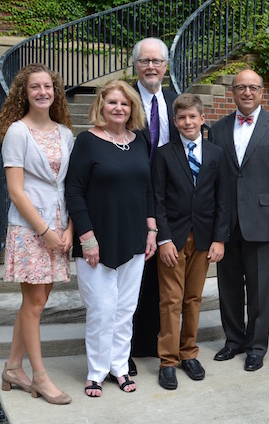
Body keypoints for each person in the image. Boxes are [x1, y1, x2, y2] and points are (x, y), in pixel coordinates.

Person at [65, 80, 158, 397]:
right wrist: (86, 236)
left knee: (125, 310)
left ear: (132, 108)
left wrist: (152, 230)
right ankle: (96, 371)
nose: (119, 108)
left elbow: (147, 189)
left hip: (133, 237)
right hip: (98, 240)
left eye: (125, 103)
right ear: (101, 106)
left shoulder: (140, 141)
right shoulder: (87, 142)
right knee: (102, 310)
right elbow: (74, 191)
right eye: (113, 103)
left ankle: (119, 367)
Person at [0, 63, 74, 405]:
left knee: (35, 303)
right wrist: (44, 231)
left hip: (59, 227)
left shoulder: (65, 133)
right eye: (34, 87)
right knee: (36, 302)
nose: (43, 92)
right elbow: (15, 191)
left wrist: (68, 228)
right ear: (23, 94)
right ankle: (40, 377)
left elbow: (70, 185)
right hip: (31, 229)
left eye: (48, 86)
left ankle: (13, 367)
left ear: (55, 91)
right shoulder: (17, 132)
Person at [209, 69, 269, 372]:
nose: (247, 93)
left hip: (264, 222)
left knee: (260, 291)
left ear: (262, 92)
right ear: (232, 92)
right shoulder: (217, 129)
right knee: (228, 287)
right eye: (241, 87)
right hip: (227, 224)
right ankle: (233, 341)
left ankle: (256, 347)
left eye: (253, 88)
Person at [152, 93, 230, 390]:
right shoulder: (164, 154)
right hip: (173, 237)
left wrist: (220, 239)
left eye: (192, 117)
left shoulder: (215, 154)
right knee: (171, 299)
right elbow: (158, 199)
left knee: (193, 298)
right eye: (182, 118)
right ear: (175, 121)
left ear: (201, 119)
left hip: (204, 237)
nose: (187, 122)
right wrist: (164, 239)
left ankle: (189, 353)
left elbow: (223, 201)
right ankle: (168, 361)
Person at [129, 37, 181, 369]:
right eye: (145, 61)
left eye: (156, 61)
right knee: (132, 273)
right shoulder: (122, 100)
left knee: (159, 276)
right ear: (135, 65)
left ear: (165, 67)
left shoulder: (176, 103)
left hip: (167, 201)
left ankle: (152, 341)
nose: (151, 67)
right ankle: (126, 349)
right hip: (131, 199)